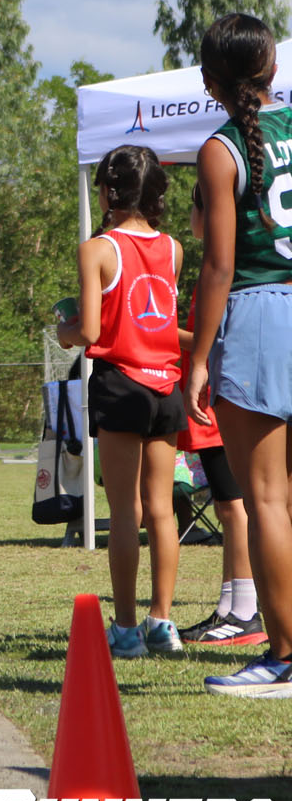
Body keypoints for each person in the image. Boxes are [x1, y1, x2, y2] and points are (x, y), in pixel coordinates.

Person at [185, 12, 292, 697]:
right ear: (273, 69)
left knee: (267, 499)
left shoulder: (222, 151)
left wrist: (197, 358)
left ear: (210, 82)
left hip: (258, 316)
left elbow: (219, 268)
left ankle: (283, 659)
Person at [57, 144, 185, 658]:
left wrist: (64, 331)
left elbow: (89, 330)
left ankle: (127, 630)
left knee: (124, 512)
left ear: (109, 192)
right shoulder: (174, 248)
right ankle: (163, 623)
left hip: (120, 384)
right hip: (165, 385)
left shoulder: (98, 250)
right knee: (163, 511)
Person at [177, 182, 265, 646]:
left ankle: (246, 612)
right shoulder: (215, 270)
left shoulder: (223, 271)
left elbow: (213, 340)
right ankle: (232, 607)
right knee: (234, 509)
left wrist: (163, 334)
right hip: (215, 402)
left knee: (236, 508)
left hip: (220, 399)